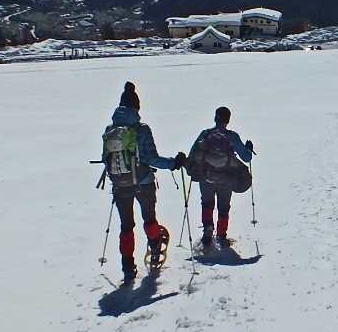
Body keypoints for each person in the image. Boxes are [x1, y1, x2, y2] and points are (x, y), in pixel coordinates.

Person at [102, 82, 185, 282]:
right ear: (137, 108)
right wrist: (174, 163)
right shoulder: (142, 129)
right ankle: (155, 244)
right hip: (143, 183)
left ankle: (128, 267)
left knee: (126, 226)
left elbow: (106, 159)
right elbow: (153, 159)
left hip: (120, 185)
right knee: (149, 219)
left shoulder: (110, 129)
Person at [187, 107, 254, 251]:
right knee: (224, 207)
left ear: (215, 118)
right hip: (226, 179)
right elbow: (246, 158)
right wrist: (248, 149)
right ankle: (222, 236)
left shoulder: (205, 134)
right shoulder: (232, 136)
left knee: (206, 203)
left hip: (206, 177)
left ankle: (207, 230)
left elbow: (193, 153)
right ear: (227, 120)